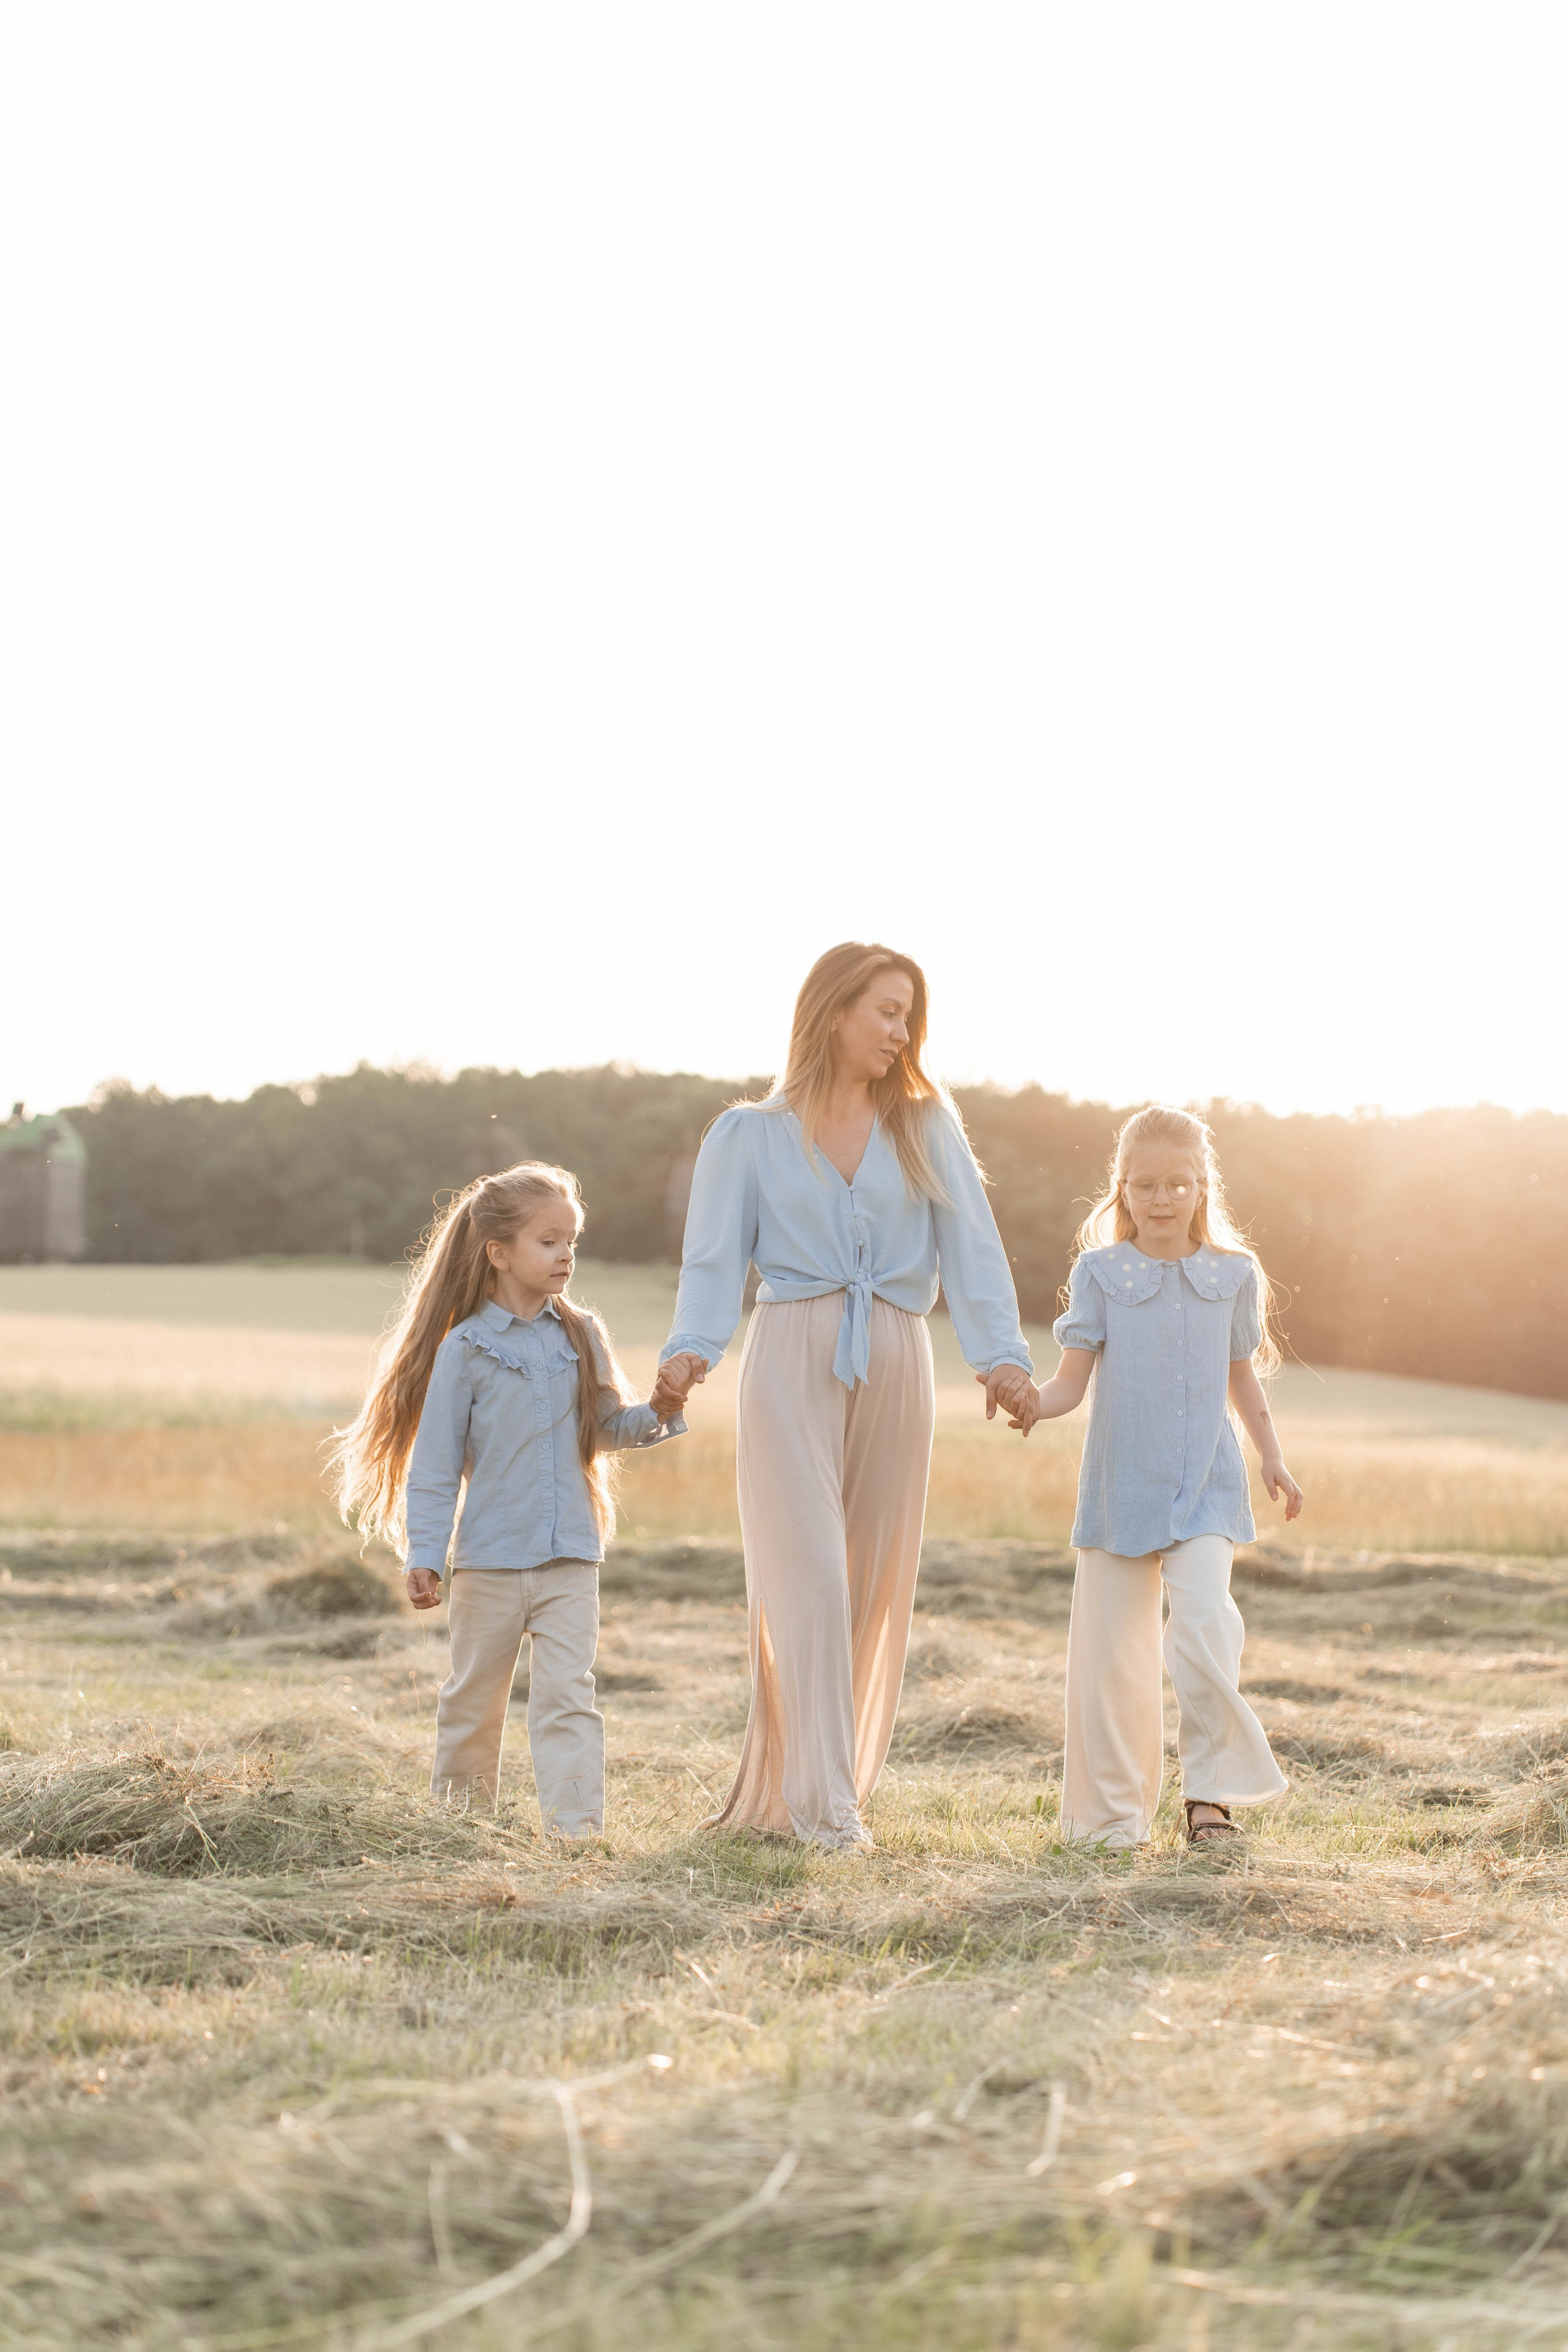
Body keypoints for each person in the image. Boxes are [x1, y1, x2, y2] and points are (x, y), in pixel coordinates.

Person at [650, 941, 1036, 1851]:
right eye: (887, 1011)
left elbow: (975, 1251)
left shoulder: (926, 1126)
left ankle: (821, 1785)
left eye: (910, 1015)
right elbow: (712, 1263)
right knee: (811, 1579)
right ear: (833, 1012)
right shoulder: (745, 1134)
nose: (902, 1031)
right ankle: (828, 1811)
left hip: (897, 1356)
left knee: (868, 1587)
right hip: (789, 1356)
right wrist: (689, 1353)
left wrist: (1002, 1362)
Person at [329, 1162, 683, 1834]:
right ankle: (460, 1831)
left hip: (570, 1559)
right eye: (548, 1241)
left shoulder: (582, 1337)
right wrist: (425, 1554)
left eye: (570, 1241)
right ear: (499, 1253)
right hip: (489, 1562)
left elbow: (605, 1430)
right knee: (473, 1702)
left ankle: (576, 1837)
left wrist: (661, 1407)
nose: (566, 1255)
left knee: (567, 1701)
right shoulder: (463, 1350)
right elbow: (433, 1468)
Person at [1005, 1105, 1301, 1848]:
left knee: (1205, 1629)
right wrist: (1030, 1404)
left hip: (1207, 1483)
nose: (1162, 1198)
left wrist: (1272, 1456)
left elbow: (1243, 1379)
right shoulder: (1100, 1272)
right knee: (1113, 1657)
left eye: (1177, 1184)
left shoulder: (1233, 1273)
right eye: (1145, 1186)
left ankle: (1209, 1802)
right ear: (1123, 1190)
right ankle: (1110, 1821)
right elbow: (1069, 1385)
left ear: (1203, 1187)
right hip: (1120, 1486)